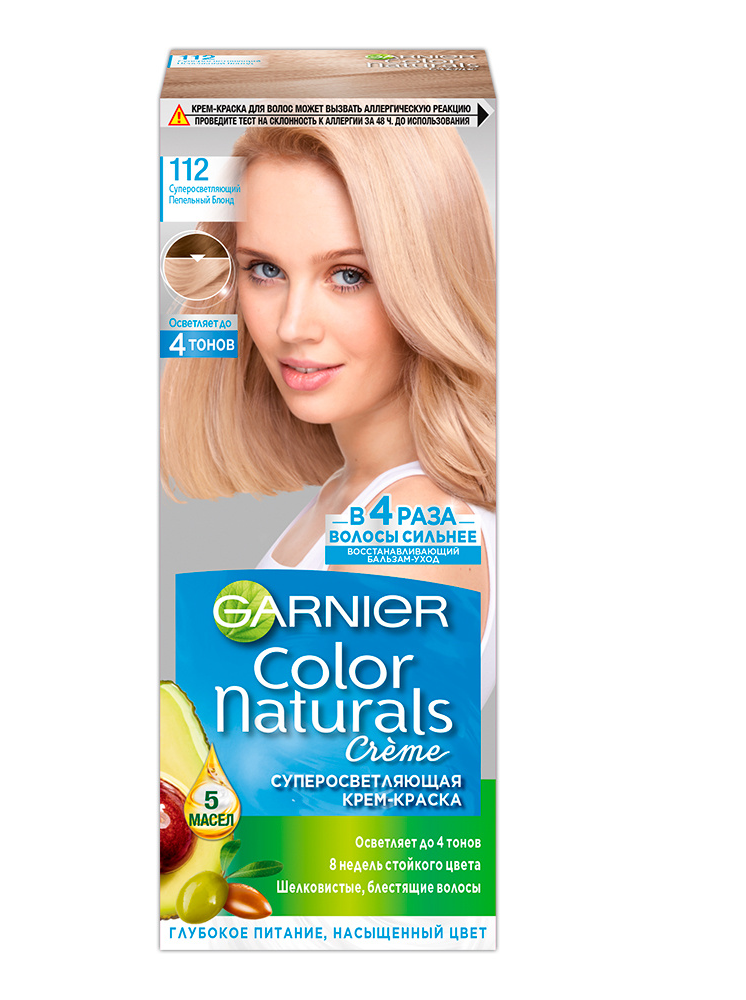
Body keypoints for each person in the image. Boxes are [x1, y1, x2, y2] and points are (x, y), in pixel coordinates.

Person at [160, 126, 495, 703]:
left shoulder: (407, 528)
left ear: (430, 286)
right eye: (265, 270)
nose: (292, 326)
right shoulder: (352, 495)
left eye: (348, 275)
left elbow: (343, 768)